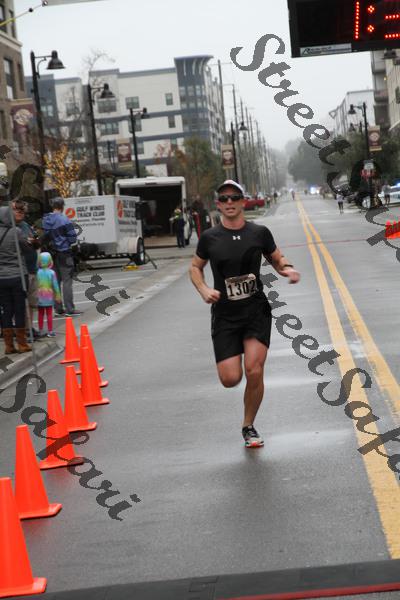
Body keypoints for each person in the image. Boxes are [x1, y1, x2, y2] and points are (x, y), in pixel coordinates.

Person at [189, 179, 300, 448]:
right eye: (223, 198)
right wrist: (203, 289)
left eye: (234, 197)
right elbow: (195, 267)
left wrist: (287, 269)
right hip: (225, 315)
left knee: (254, 369)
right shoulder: (209, 238)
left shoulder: (259, 232)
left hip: (255, 311)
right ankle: (242, 402)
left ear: (243, 201)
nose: (229, 202)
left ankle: (248, 426)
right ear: (218, 204)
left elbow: (276, 257)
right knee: (230, 379)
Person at [0, 206, 33, 354]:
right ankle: (22, 343)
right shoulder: (16, 232)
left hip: (1, 278)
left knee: (6, 310)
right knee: (19, 309)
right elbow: (27, 250)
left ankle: (9, 345)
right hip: (18, 275)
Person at [42, 197, 81, 317]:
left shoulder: (45, 219)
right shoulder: (65, 220)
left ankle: (58, 308)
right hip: (64, 253)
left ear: (53, 206)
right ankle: (70, 308)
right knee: (67, 281)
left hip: (51, 254)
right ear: (62, 206)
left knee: (55, 281)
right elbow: (72, 238)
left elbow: (43, 236)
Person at [13, 200, 41, 341]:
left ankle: (29, 328)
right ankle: (22, 330)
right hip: (19, 271)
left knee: (31, 302)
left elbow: (36, 242)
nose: (20, 212)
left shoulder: (25, 225)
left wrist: (35, 241)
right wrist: (26, 242)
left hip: (32, 269)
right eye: (17, 210)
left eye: (22, 210)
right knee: (20, 303)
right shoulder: (8, 228)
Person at [36, 252, 62, 338]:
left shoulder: (37, 272)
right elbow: (55, 285)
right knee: (49, 314)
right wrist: (58, 296)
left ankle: (40, 330)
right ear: (50, 261)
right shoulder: (52, 272)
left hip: (39, 295)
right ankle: (50, 331)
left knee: (40, 314)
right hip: (49, 296)